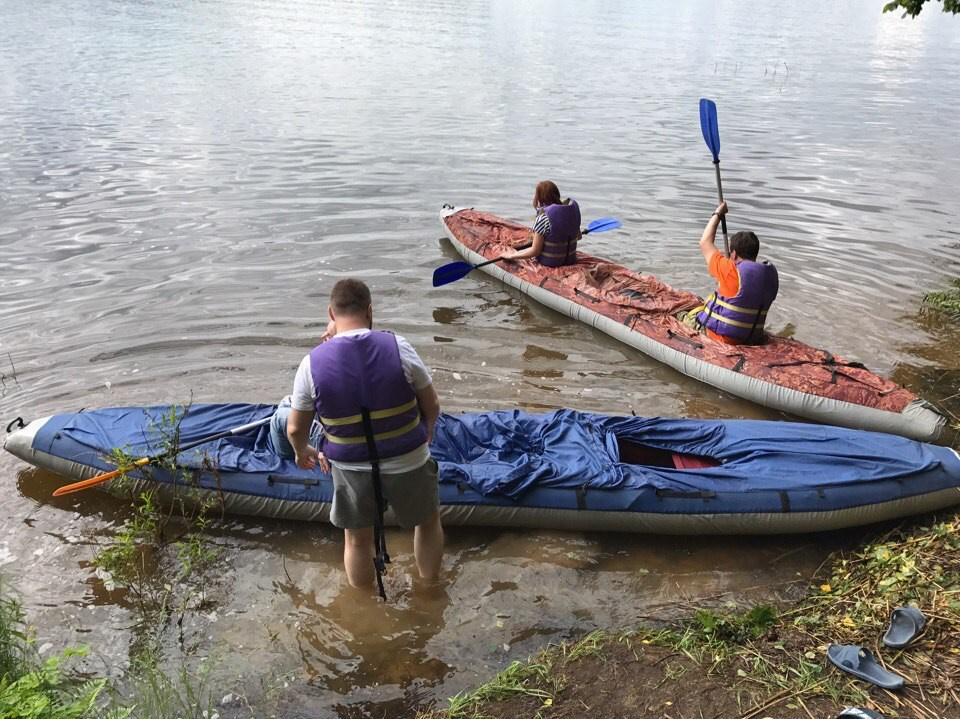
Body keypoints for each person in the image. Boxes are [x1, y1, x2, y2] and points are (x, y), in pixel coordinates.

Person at [270, 278, 443, 594]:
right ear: (370, 310)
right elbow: (431, 404)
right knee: (428, 523)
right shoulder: (399, 346)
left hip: (352, 468)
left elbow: (294, 429)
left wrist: (301, 450)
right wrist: (428, 428)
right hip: (409, 460)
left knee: (356, 540)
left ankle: (364, 602)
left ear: (330, 314)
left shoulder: (311, 363)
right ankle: (430, 587)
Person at [679, 202, 779, 345]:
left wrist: (718, 213)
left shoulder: (730, 270)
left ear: (734, 253)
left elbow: (704, 242)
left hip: (723, 337)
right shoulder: (771, 275)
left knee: (679, 315)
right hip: (753, 337)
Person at [501, 180, 582, 267]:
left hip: (550, 263)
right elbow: (579, 237)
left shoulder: (543, 218)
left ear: (539, 198)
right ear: (557, 194)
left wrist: (511, 255)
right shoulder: (572, 213)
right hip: (570, 260)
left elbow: (535, 252)